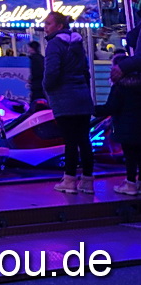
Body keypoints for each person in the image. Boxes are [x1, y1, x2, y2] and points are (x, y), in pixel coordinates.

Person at [43, 12, 97, 192]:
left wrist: (47, 89)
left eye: (49, 23)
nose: (45, 27)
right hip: (82, 97)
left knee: (70, 142)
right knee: (84, 140)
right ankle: (88, 180)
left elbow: (51, 72)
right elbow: (85, 71)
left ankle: (69, 179)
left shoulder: (54, 44)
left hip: (65, 98)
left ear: (59, 26)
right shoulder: (78, 44)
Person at [101, 54, 141, 196]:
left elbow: (111, 108)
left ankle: (130, 183)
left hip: (125, 128)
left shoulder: (120, 86)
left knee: (130, 157)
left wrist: (92, 109)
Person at [27, 40, 45, 106]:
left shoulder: (34, 59)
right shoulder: (41, 58)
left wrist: (31, 79)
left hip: (37, 84)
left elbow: (36, 72)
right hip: (41, 84)